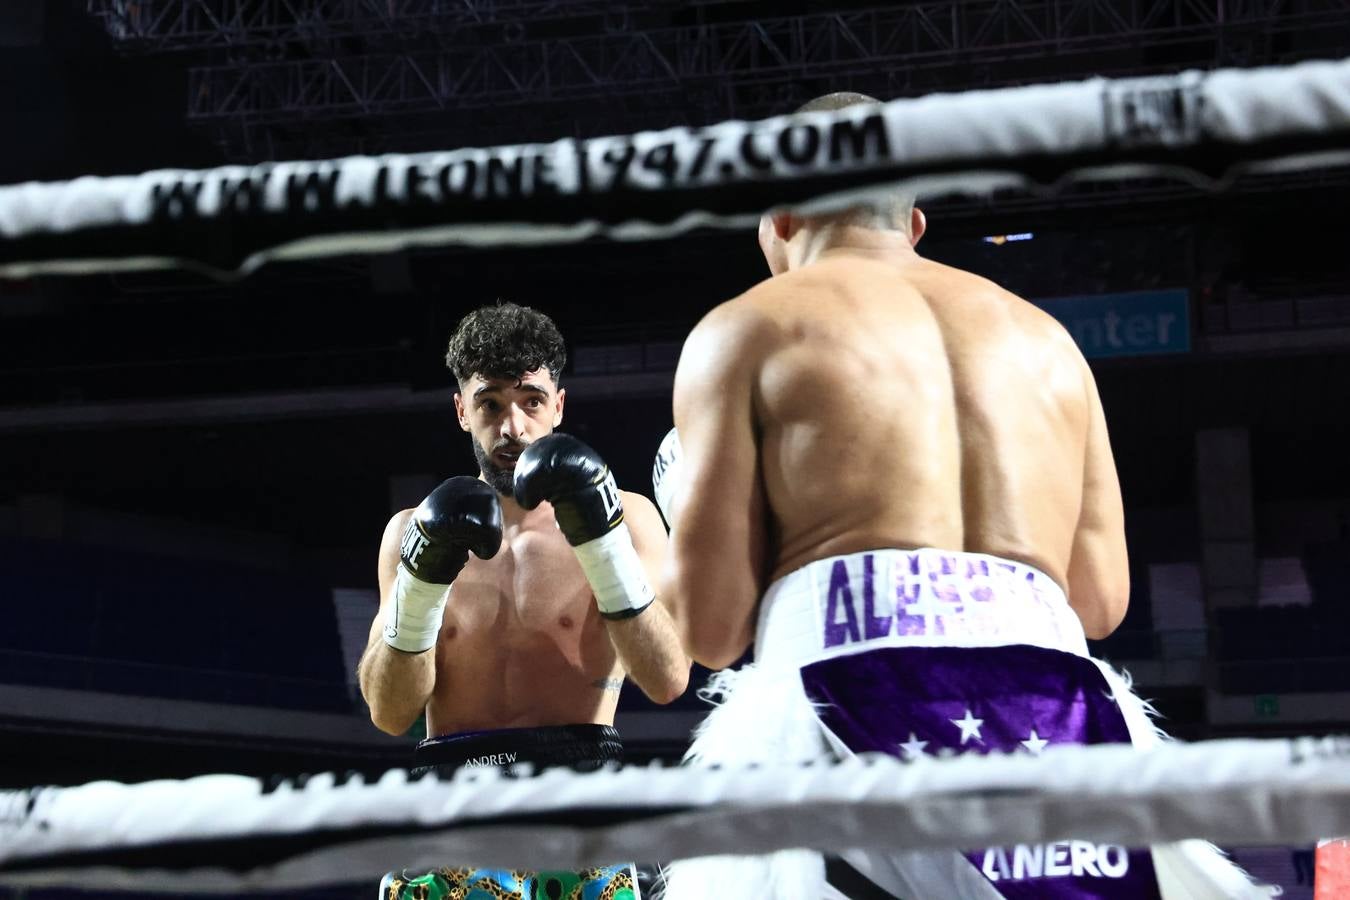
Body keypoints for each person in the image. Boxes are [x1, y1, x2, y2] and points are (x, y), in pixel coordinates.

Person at [656, 93, 1261, 899]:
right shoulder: (1050, 342)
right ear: (912, 223)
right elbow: (1099, 599)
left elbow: (712, 629)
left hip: (837, 702)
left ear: (783, 214)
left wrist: (685, 516)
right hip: (1057, 721)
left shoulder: (744, 328)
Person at [358, 301, 688, 900]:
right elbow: (389, 711)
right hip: (452, 802)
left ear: (558, 405)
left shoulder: (630, 517)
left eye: (531, 400)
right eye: (490, 403)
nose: (513, 428)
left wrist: (601, 543)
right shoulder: (410, 531)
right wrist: (422, 582)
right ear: (462, 411)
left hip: (582, 804)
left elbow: (668, 679)